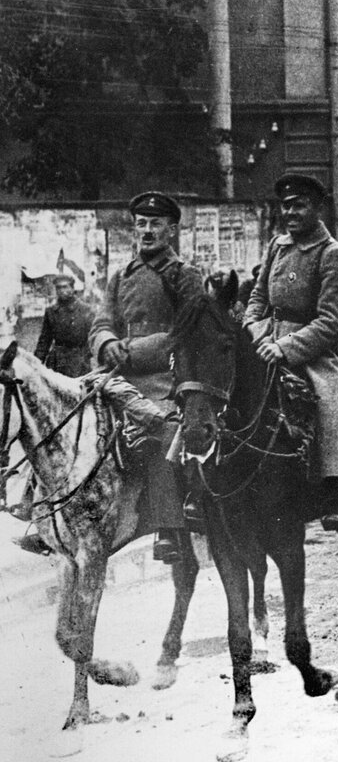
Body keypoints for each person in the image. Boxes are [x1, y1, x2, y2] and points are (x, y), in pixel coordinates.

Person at [244, 173, 338, 531]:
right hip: (267, 341)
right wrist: (259, 334)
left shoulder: (333, 255)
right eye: (285, 206)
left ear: (318, 208)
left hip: (316, 353)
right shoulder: (277, 246)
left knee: (330, 405)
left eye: (299, 205)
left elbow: (331, 322)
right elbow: (257, 300)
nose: (290, 212)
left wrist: (285, 348)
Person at [89, 192, 204, 564]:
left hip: (164, 376)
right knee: (71, 415)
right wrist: (106, 343)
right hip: (115, 374)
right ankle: (46, 510)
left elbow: (185, 332)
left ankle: (168, 528)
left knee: (164, 430)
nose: (147, 231)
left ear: (171, 229)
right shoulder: (120, 276)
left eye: (155, 224)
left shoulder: (184, 276)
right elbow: (101, 322)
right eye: (141, 223)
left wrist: (133, 350)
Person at [35, 275, 94, 377]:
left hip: (79, 362)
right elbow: (44, 341)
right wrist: (36, 364)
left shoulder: (85, 310)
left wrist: (84, 358)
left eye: (65, 287)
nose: (62, 291)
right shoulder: (51, 312)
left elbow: (92, 338)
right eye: (58, 288)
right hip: (57, 362)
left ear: (72, 288)